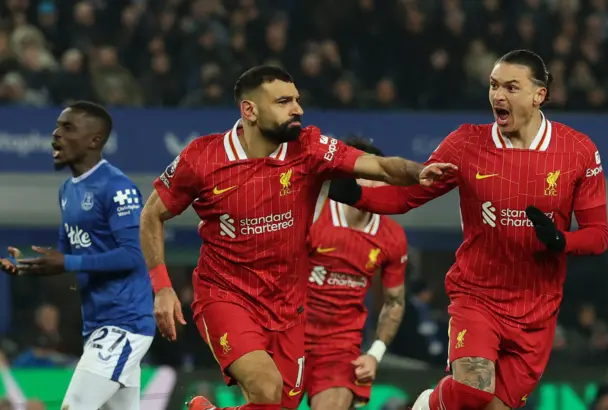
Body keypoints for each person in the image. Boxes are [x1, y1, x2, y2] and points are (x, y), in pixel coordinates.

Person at [139, 65, 455, 410]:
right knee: (265, 385)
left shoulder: (309, 148)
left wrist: (419, 171)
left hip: (288, 308)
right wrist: (163, 286)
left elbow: (379, 167)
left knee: (277, 405)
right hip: (226, 296)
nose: (297, 110)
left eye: (297, 100)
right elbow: (152, 214)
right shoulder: (202, 157)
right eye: (284, 101)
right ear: (250, 110)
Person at [329, 50, 608, 410]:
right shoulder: (467, 143)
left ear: (539, 94)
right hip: (478, 296)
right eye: (493, 86)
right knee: (473, 390)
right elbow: (410, 195)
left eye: (511, 86)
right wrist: (355, 194)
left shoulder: (578, 151)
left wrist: (560, 241)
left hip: (537, 310)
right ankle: (428, 404)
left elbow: (598, 234)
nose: (498, 96)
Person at [0, 101, 155, 410]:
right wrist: (27, 266)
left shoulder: (117, 187)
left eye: (67, 128)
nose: (56, 134)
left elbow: (134, 255)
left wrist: (67, 262)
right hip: (98, 324)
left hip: (124, 323)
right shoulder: (67, 191)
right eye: (57, 127)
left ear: (93, 140)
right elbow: (64, 253)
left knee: (73, 406)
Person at [304, 137, 408, 410]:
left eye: (381, 178)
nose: (376, 184)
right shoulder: (315, 214)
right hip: (289, 333)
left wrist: (375, 354)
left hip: (340, 348)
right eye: (368, 176)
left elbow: (394, 302)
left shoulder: (392, 237)